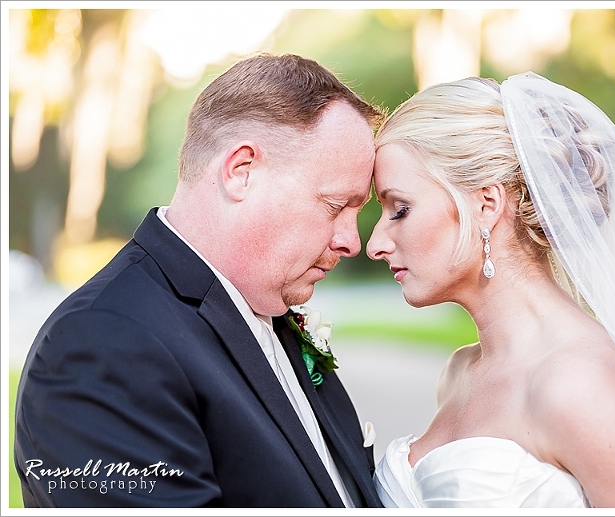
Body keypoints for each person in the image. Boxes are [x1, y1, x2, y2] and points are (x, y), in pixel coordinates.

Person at [14, 52, 385, 508]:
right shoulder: (101, 344)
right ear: (241, 171)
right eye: (335, 206)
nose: (352, 241)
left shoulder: (270, 307)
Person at [365, 72, 615, 508]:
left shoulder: (580, 382)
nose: (375, 243)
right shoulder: (458, 374)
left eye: (400, 209)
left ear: (486, 204)